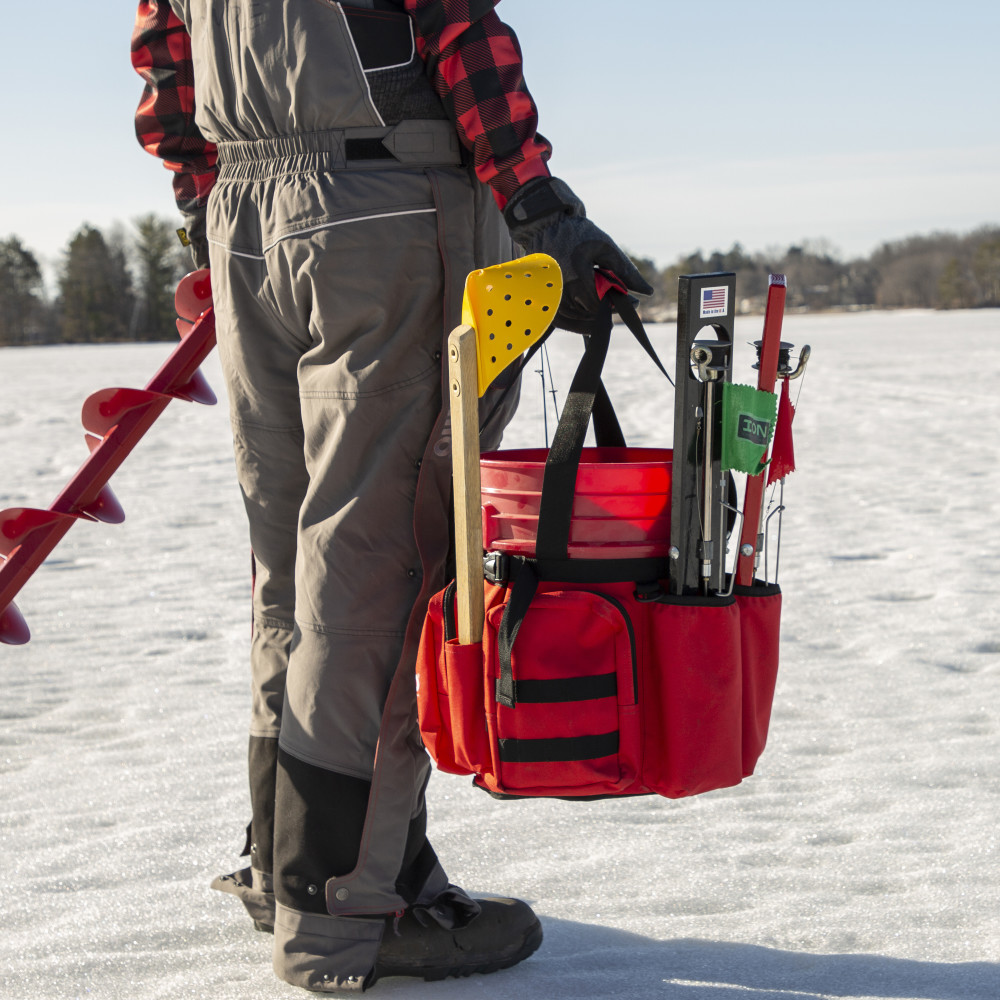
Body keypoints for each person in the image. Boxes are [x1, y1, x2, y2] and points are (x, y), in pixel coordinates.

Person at [131, 0, 651, 992]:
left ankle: (289, 862)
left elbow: (165, 53)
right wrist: (533, 199)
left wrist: (203, 196)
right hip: (385, 200)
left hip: (248, 217)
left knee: (292, 565)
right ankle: (349, 905)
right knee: (379, 565)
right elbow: (457, 24)